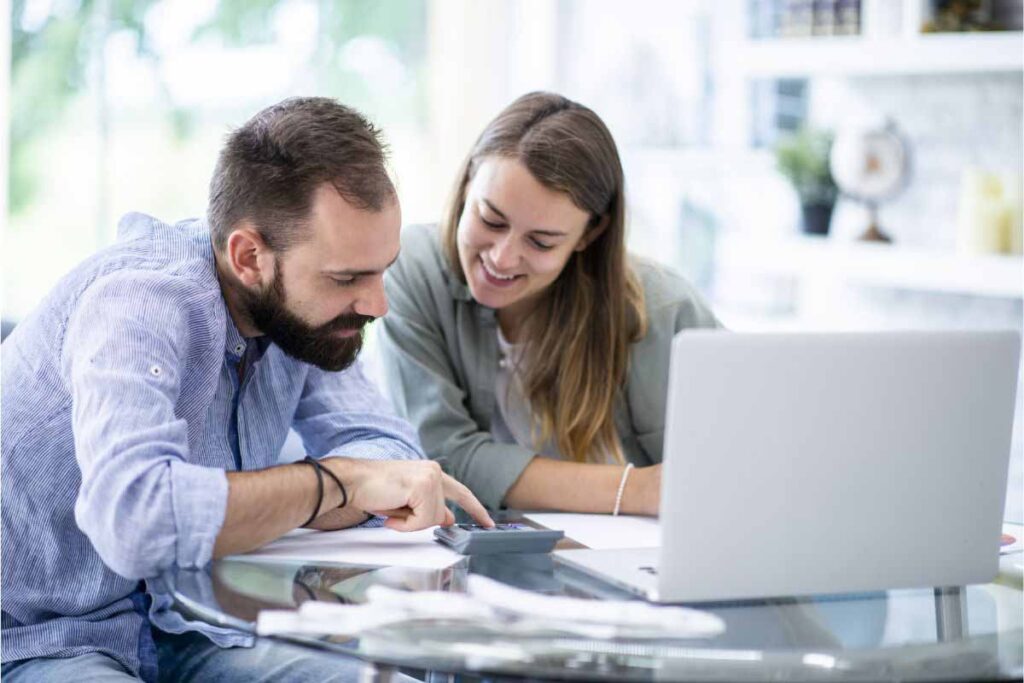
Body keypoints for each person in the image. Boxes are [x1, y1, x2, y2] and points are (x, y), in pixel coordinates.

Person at [1, 97, 492, 683]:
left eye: (382, 269)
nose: (376, 304)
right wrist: (335, 485)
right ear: (248, 256)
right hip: (43, 637)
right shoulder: (136, 304)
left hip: (192, 620)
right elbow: (136, 522)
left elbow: (386, 451)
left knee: (411, 676)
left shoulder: (304, 318)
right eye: (347, 278)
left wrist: (318, 492)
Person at [378, 91, 720, 516]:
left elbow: (723, 469)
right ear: (467, 183)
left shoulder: (664, 310)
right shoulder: (412, 268)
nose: (501, 258)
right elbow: (439, 460)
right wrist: (638, 491)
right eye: (490, 219)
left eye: (541, 242)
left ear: (589, 235)